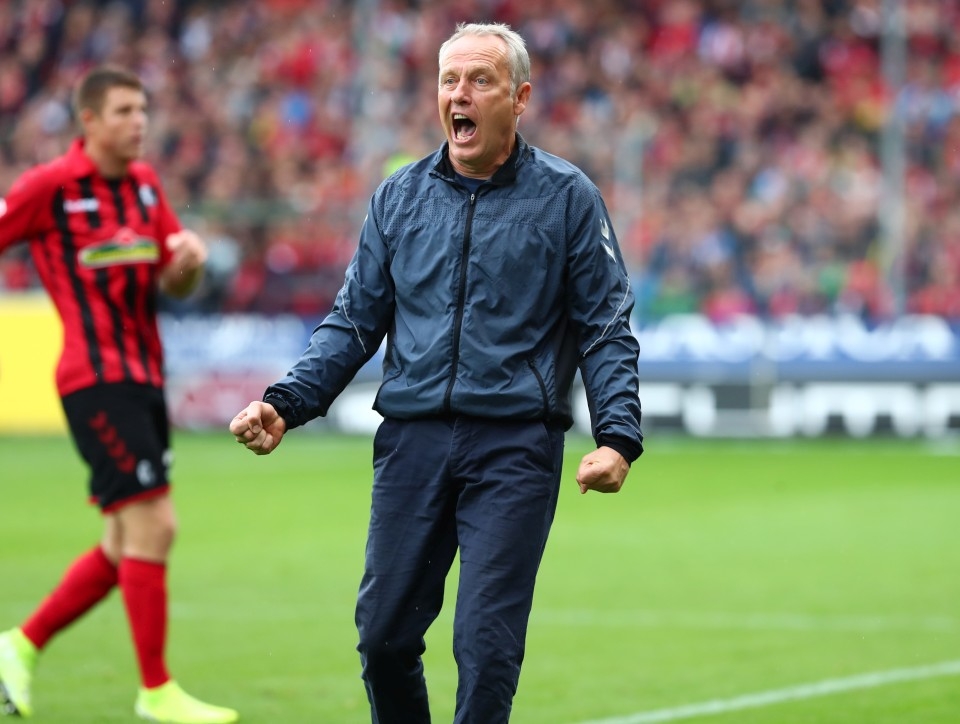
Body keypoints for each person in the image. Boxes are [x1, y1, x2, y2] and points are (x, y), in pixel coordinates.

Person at [230, 21, 643, 723]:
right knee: (383, 638)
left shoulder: (568, 198)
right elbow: (353, 321)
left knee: (485, 646)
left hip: (514, 446)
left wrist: (617, 437)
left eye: (481, 79)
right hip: (412, 443)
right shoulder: (398, 197)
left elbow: (604, 325)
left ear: (520, 98)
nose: (461, 93)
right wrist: (288, 402)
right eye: (450, 80)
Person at [0, 66, 238, 724]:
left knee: (121, 543)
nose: (139, 122)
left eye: (143, 110)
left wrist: (186, 265)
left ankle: (19, 646)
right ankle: (155, 690)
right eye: (125, 111)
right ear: (90, 121)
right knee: (155, 525)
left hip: (144, 378)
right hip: (94, 380)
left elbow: (174, 281)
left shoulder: (145, 186)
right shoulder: (49, 187)